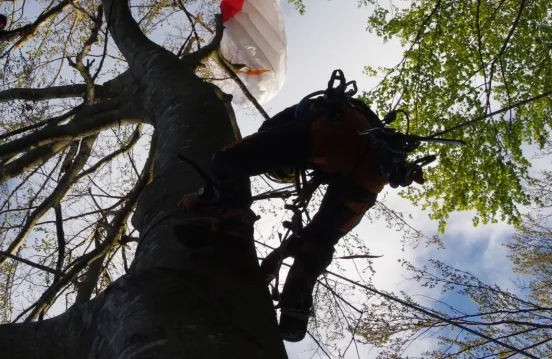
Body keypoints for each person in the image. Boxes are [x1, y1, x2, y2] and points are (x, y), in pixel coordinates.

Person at [179, 72, 426, 342]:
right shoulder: (352, 127)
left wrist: (205, 194)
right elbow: (314, 233)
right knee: (320, 240)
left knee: (227, 159)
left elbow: (248, 154)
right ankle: (295, 304)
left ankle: (232, 224)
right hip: (374, 173)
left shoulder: (286, 124)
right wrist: (277, 256)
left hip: (330, 132)